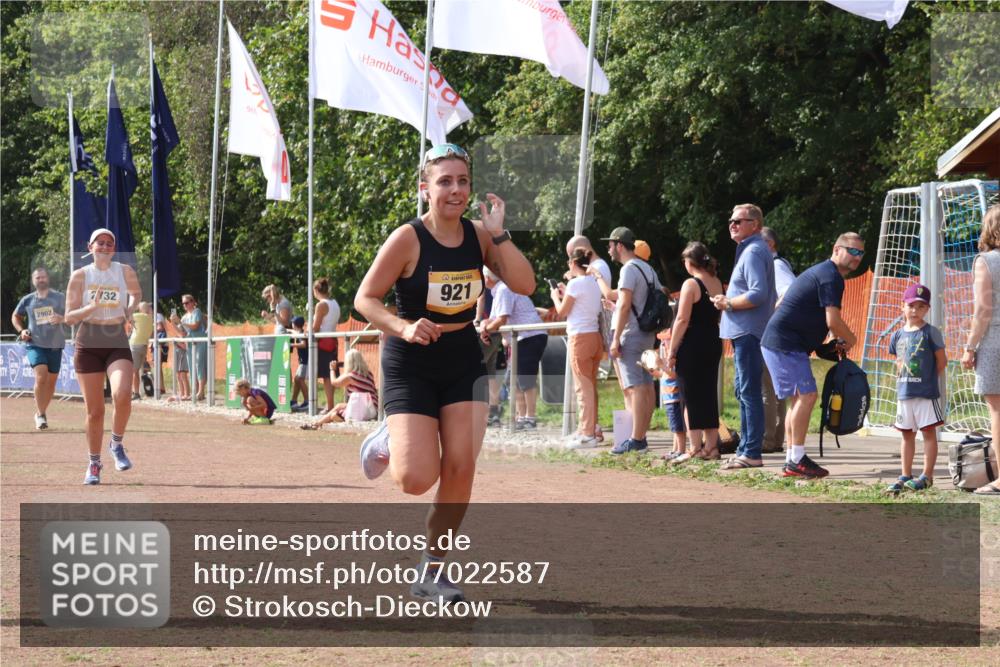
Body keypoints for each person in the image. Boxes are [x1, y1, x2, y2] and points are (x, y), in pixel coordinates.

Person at [355, 143, 534, 603]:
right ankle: (390, 436)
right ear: (425, 188)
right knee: (416, 479)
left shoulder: (479, 236)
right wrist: (403, 326)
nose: (455, 190)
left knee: (460, 468)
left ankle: (432, 571)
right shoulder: (407, 238)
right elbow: (365, 299)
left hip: (461, 356)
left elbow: (525, 285)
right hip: (410, 358)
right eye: (444, 182)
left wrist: (500, 235)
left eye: (462, 181)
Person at [761, 232, 865, 479]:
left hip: (782, 342)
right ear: (837, 249)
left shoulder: (824, 272)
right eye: (852, 251)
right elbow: (833, 320)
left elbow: (787, 303)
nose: (857, 257)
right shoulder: (831, 277)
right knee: (807, 396)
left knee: (799, 399)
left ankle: (791, 459)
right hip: (786, 344)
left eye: (861, 253)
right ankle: (796, 459)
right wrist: (852, 341)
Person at [62, 228, 141, 485]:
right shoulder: (80, 276)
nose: (105, 246)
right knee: (95, 412)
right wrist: (91, 308)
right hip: (88, 343)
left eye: (109, 243)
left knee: (122, 394)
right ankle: (94, 463)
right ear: (90, 247)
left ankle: (116, 444)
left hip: (116, 339)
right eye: (100, 243)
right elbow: (69, 317)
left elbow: (137, 294)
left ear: (114, 249)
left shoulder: (124, 271)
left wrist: (128, 310)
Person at [711, 205, 776, 469]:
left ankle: (751, 451)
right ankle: (745, 448)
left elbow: (758, 293)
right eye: (731, 220)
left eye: (739, 221)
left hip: (749, 331)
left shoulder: (752, 251)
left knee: (748, 391)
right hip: (745, 331)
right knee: (744, 391)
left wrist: (728, 303)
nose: (732, 225)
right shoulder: (752, 250)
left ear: (756, 225)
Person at [603, 226, 662, 454]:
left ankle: (636, 440)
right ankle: (640, 437)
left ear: (619, 245)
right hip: (647, 333)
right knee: (646, 385)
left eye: (610, 244)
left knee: (635, 387)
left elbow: (626, 304)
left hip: (632, 334)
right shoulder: (648, 268)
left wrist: (615, 338)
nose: (609, 249)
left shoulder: (628, 269)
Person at [884, 284, 947, 494]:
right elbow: (898, 361)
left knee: (928, 433)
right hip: (905, 394)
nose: (915, 310)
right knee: (906, 435)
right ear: (903, 306)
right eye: (911, 305)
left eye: (921, 307)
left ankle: (927, 476)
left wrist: (928, 380)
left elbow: (941, 361)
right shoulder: (897, 336)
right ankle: (905, 474)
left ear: (927, 309)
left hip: (925, 394)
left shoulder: (931, 333)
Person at [667, 241, 724, 462]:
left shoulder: (691, 284)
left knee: (689, 395)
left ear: (690, 262)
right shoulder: (717, 282)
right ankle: (712, 447)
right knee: (708, 394)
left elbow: (682, 319)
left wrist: (672, 350)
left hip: (692, 343)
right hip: (712, 340)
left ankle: (694, 447)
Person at [961, 204, 1000, 496]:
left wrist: (969, 346)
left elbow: (984, 310)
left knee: (997, 411)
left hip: (995, 343)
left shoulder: (986, 261)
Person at [480, 267, 548, 430]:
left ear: (488, 278)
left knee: (525, 380)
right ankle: (521, 417)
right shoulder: (499, 290)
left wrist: (487, 329)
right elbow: (494, 318)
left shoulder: (503, 289)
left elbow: (501, 319)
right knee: (514, 381)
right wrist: (484, 324)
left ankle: (529, 418)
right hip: (521, 338)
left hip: (529, 336)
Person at [552, 247, 604, 447]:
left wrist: (555, 296)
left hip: (579, 338)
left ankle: (587, 434)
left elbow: (562, 311)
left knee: (583, 389)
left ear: (573, 263)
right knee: (590, 386)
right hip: (594, 336)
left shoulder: (575, 283)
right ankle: (589, 429)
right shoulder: (593, 281)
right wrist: (566, 292)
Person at [11, 266, 66, 430]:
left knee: (51, 383)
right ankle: (41, 415)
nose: (41, 280)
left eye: (43, 277)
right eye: (37, 278)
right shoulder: (27, 299)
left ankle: (40, 412)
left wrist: (61, 318)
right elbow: (15, 316)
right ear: (33, 281)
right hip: (34, 344)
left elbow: (72, 315)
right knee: (41, 376)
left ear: (47, 279)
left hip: (55, 345)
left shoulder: (59, 297)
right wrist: (22, 330)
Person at [760, 226, 796, 454]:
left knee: (768, 389)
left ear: (770, 244)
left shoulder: (775, 266)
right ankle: (775, 439)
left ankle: (767, 439)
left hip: (772, 335)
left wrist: (772, 316)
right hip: (777, 335)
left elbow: (791, 292)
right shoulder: (776, 265)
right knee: (775, 390)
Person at [300, 350, 378, 428]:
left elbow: (334, 383)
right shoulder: (369, 374)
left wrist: (332, 370)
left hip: (362, 409)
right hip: (372, 408)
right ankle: (318, 423)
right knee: (336, 411)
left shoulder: (351, 376)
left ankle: (317, 424)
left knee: (338, 409)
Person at [312, 277, 341, 412]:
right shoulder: (335, 303)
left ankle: (329, 406)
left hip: (323, 341)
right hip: (333, 340)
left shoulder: (321, 305)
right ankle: (330, 404)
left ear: (316, 290)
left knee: (326, 375)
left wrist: (308, 331)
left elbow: (316, 327)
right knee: (332, 372)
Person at [172, 294, 207, 400]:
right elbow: (182, 334)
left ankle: (201, 392)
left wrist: (181, 322)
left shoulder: (197, 312)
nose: (185, 305)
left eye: (187, 303)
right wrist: (173, 324)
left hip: (199, 342)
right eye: (183, 303)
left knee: (199, 365)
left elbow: (195, 326)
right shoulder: (184, 317)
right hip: (190, 344)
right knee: (192, 368)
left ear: (193, 302)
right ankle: (195, 392)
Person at [128, 301, 153, 400]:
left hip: (135, 345)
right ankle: (140, 391)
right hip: (144, 345)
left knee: (134, 371)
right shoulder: (150, 318)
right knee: (139, 370)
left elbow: (127, 314)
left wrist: (133, 306)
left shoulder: (137, 316)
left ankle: (136, 393)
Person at [289, 316, 309, 412]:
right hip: (302, 361)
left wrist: (291, 345)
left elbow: (303, 344)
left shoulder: (301, 334)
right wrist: (288, 330)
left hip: (305, 361)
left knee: (300, 379)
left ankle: (307, 401)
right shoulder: (299, 332)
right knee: (297, 379)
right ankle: (294, 401)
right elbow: (294, 332)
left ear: (295, 324)